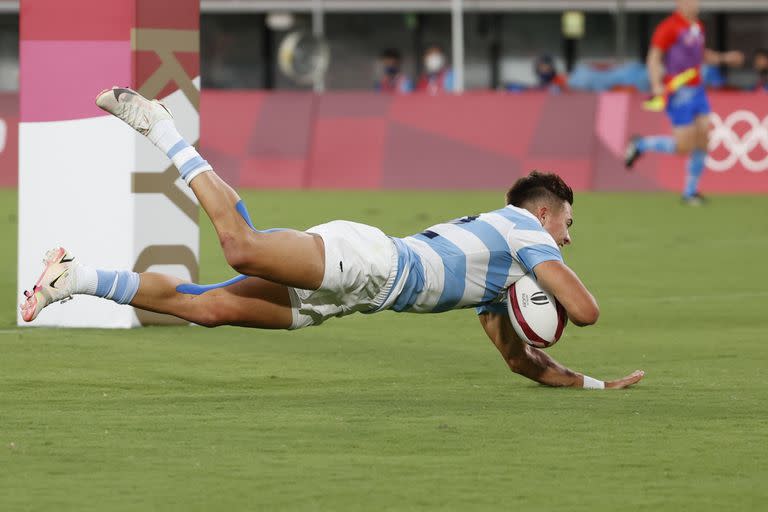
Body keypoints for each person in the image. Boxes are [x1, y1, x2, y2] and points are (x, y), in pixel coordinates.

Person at [20, 87, 644, 391]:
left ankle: (72, 277)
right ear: (544, 213)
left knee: (205, 307)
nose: (568, 238)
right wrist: (553, 291)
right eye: (567, 224)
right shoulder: (519, 230)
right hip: (370, 260)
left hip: (355, 295)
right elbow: (585, 312)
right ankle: (162, 128)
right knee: (241, 245)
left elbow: (518, 359)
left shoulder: (505, 276)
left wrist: (592, 385)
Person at [624, 0, 743, 205]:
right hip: (679, 92)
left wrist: (724, 58)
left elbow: (701, 55)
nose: (694, 4)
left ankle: (690, 192)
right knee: (683, 146)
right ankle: (641, 144)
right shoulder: (668, 27)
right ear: (679, 3)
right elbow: (654, 57)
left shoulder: (697, 26)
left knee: (704, 139)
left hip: (698, 90)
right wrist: (656, 84)